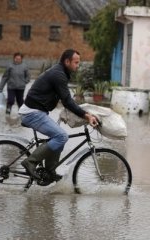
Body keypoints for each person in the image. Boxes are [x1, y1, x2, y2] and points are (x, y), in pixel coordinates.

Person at [18, 49, 98, 182]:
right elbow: (67, 101)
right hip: (33, 112)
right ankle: (30, 162)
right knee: (61, 136)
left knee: (58, 138)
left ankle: (49, 171)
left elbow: (67, 99)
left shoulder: (61, 73)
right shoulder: (58, 75)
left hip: (37, 111)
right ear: (67, 61)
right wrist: (86, 116)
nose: (78, 66)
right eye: (76, 62)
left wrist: (85, 111)